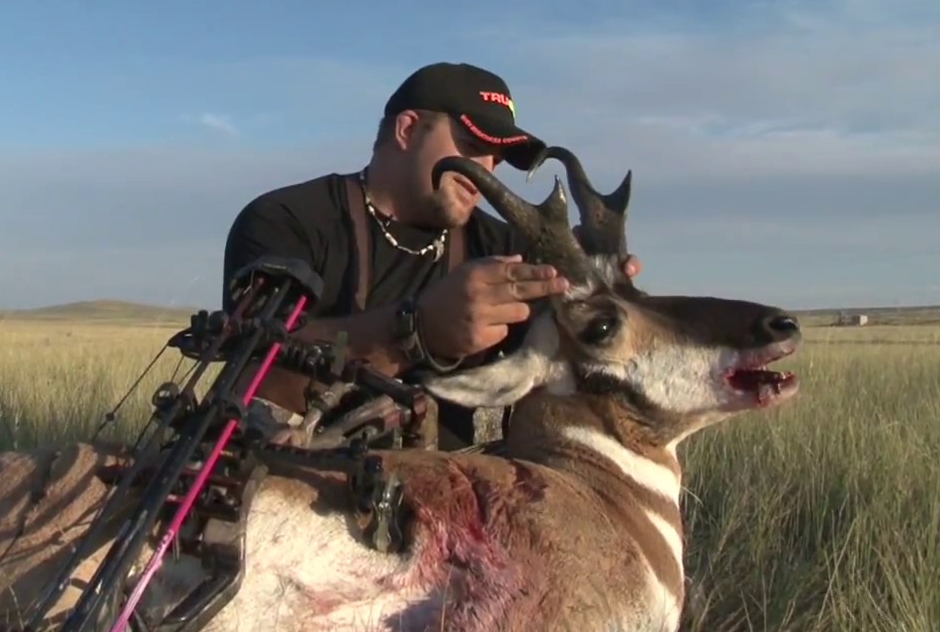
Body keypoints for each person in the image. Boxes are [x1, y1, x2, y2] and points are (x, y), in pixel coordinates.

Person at [221, 62, 641, 450]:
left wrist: (594, 295)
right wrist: (415, 333)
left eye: (496, 158)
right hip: (293, 486)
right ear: (407, 130)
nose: (487, 170)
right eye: (474, 145)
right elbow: (254, 371)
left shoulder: (507, 249)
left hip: (445, 494)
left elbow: (574, 364)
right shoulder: (286, 221)